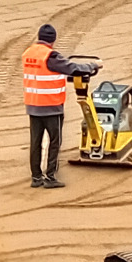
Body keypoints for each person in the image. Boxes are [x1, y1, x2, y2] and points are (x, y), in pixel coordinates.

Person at [21, 23, 92, 189]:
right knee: (55, 141)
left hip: (33, 106)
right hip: (51, 107)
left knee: (35, 142)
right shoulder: (51, 56)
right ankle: (50, 176)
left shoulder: (28, 53)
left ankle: (36, 177)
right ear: (52, 40)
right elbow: (73, 68)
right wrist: (92, 66)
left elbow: (41, 74)